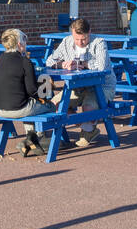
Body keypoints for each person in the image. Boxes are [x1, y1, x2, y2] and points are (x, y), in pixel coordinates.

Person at [45, 17, 116, 148]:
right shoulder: (67, 42)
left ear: (89, 32)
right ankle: (88, 127)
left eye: (83, 39)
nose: (80, 42)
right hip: (76, 87)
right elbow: (49, 61)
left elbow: (102, 67)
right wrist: (63, 64)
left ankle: (87, 131)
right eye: (76, 39)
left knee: (88, 108)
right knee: (53, 105)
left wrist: (83, 64)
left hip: (101, 86)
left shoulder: (99, 42)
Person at [0, 28, 58, 156]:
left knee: (30, 105)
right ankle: (38, 138)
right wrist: (46, 88)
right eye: (25, 41)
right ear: (20, 44)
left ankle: (30, 138)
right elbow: (32, 90)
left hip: (0, 109)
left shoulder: (0, 59)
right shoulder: (25, 62)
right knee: (50, 106)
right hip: (18, 108)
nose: (26, 44)